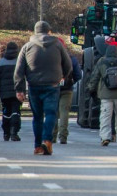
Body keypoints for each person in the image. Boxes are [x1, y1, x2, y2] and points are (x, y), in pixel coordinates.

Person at [14, 21, 73, 156]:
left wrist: (19, 89)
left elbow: (19, 70)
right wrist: (63, 76)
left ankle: (37, 146)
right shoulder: (58, 45)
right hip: (52, 85)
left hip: (34, 86)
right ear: (49, 31)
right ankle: (47, 141)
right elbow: (68, 65)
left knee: (37, 116)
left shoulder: (27, 47)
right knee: (51, 114)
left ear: (35, 31)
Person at [88, 42, 117, 146]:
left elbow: (94, 77)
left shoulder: (101, 63)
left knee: (105, 117)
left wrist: (91, 90)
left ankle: (105, 137)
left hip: (105, 95)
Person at [0, 42, 23, 141]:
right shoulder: (20, 61)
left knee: (6, 112)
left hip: (4, 93)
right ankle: (14, 132)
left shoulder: (1, 62)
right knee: (16, 112)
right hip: (17, 92)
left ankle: (6, 133)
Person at [51, 45, 83, 144]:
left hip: (52, 88)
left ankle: (52, 136)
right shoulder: (72, 59)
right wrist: (71, 82)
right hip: (67, 89)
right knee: (64, 112)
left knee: (53, 112)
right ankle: (63, 136)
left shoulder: (51, 59)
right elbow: (78, 75)